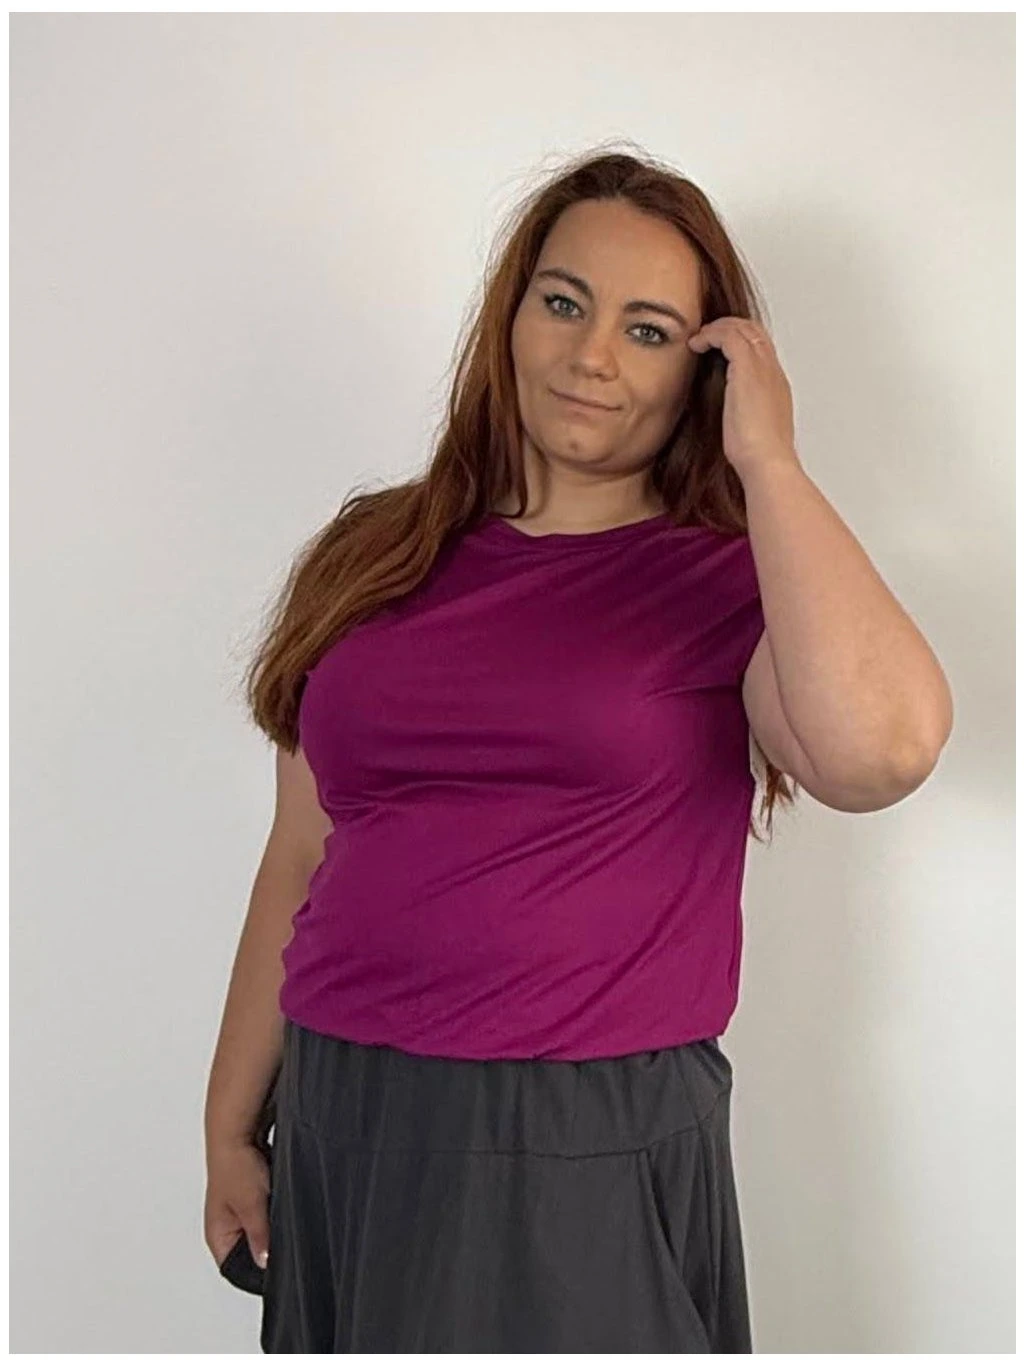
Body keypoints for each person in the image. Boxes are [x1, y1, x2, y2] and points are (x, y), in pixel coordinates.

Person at [203, 147, 953, 1352]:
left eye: (647, 330)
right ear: (511, 314)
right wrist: (231, 1122)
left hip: (577, 1129)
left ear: (703, 370)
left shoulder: (731, 580)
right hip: (343, 1107)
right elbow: (302, 847)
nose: (592, 354)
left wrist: (770, 464)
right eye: (563, 303)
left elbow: (887, 751)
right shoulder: (373, 551)